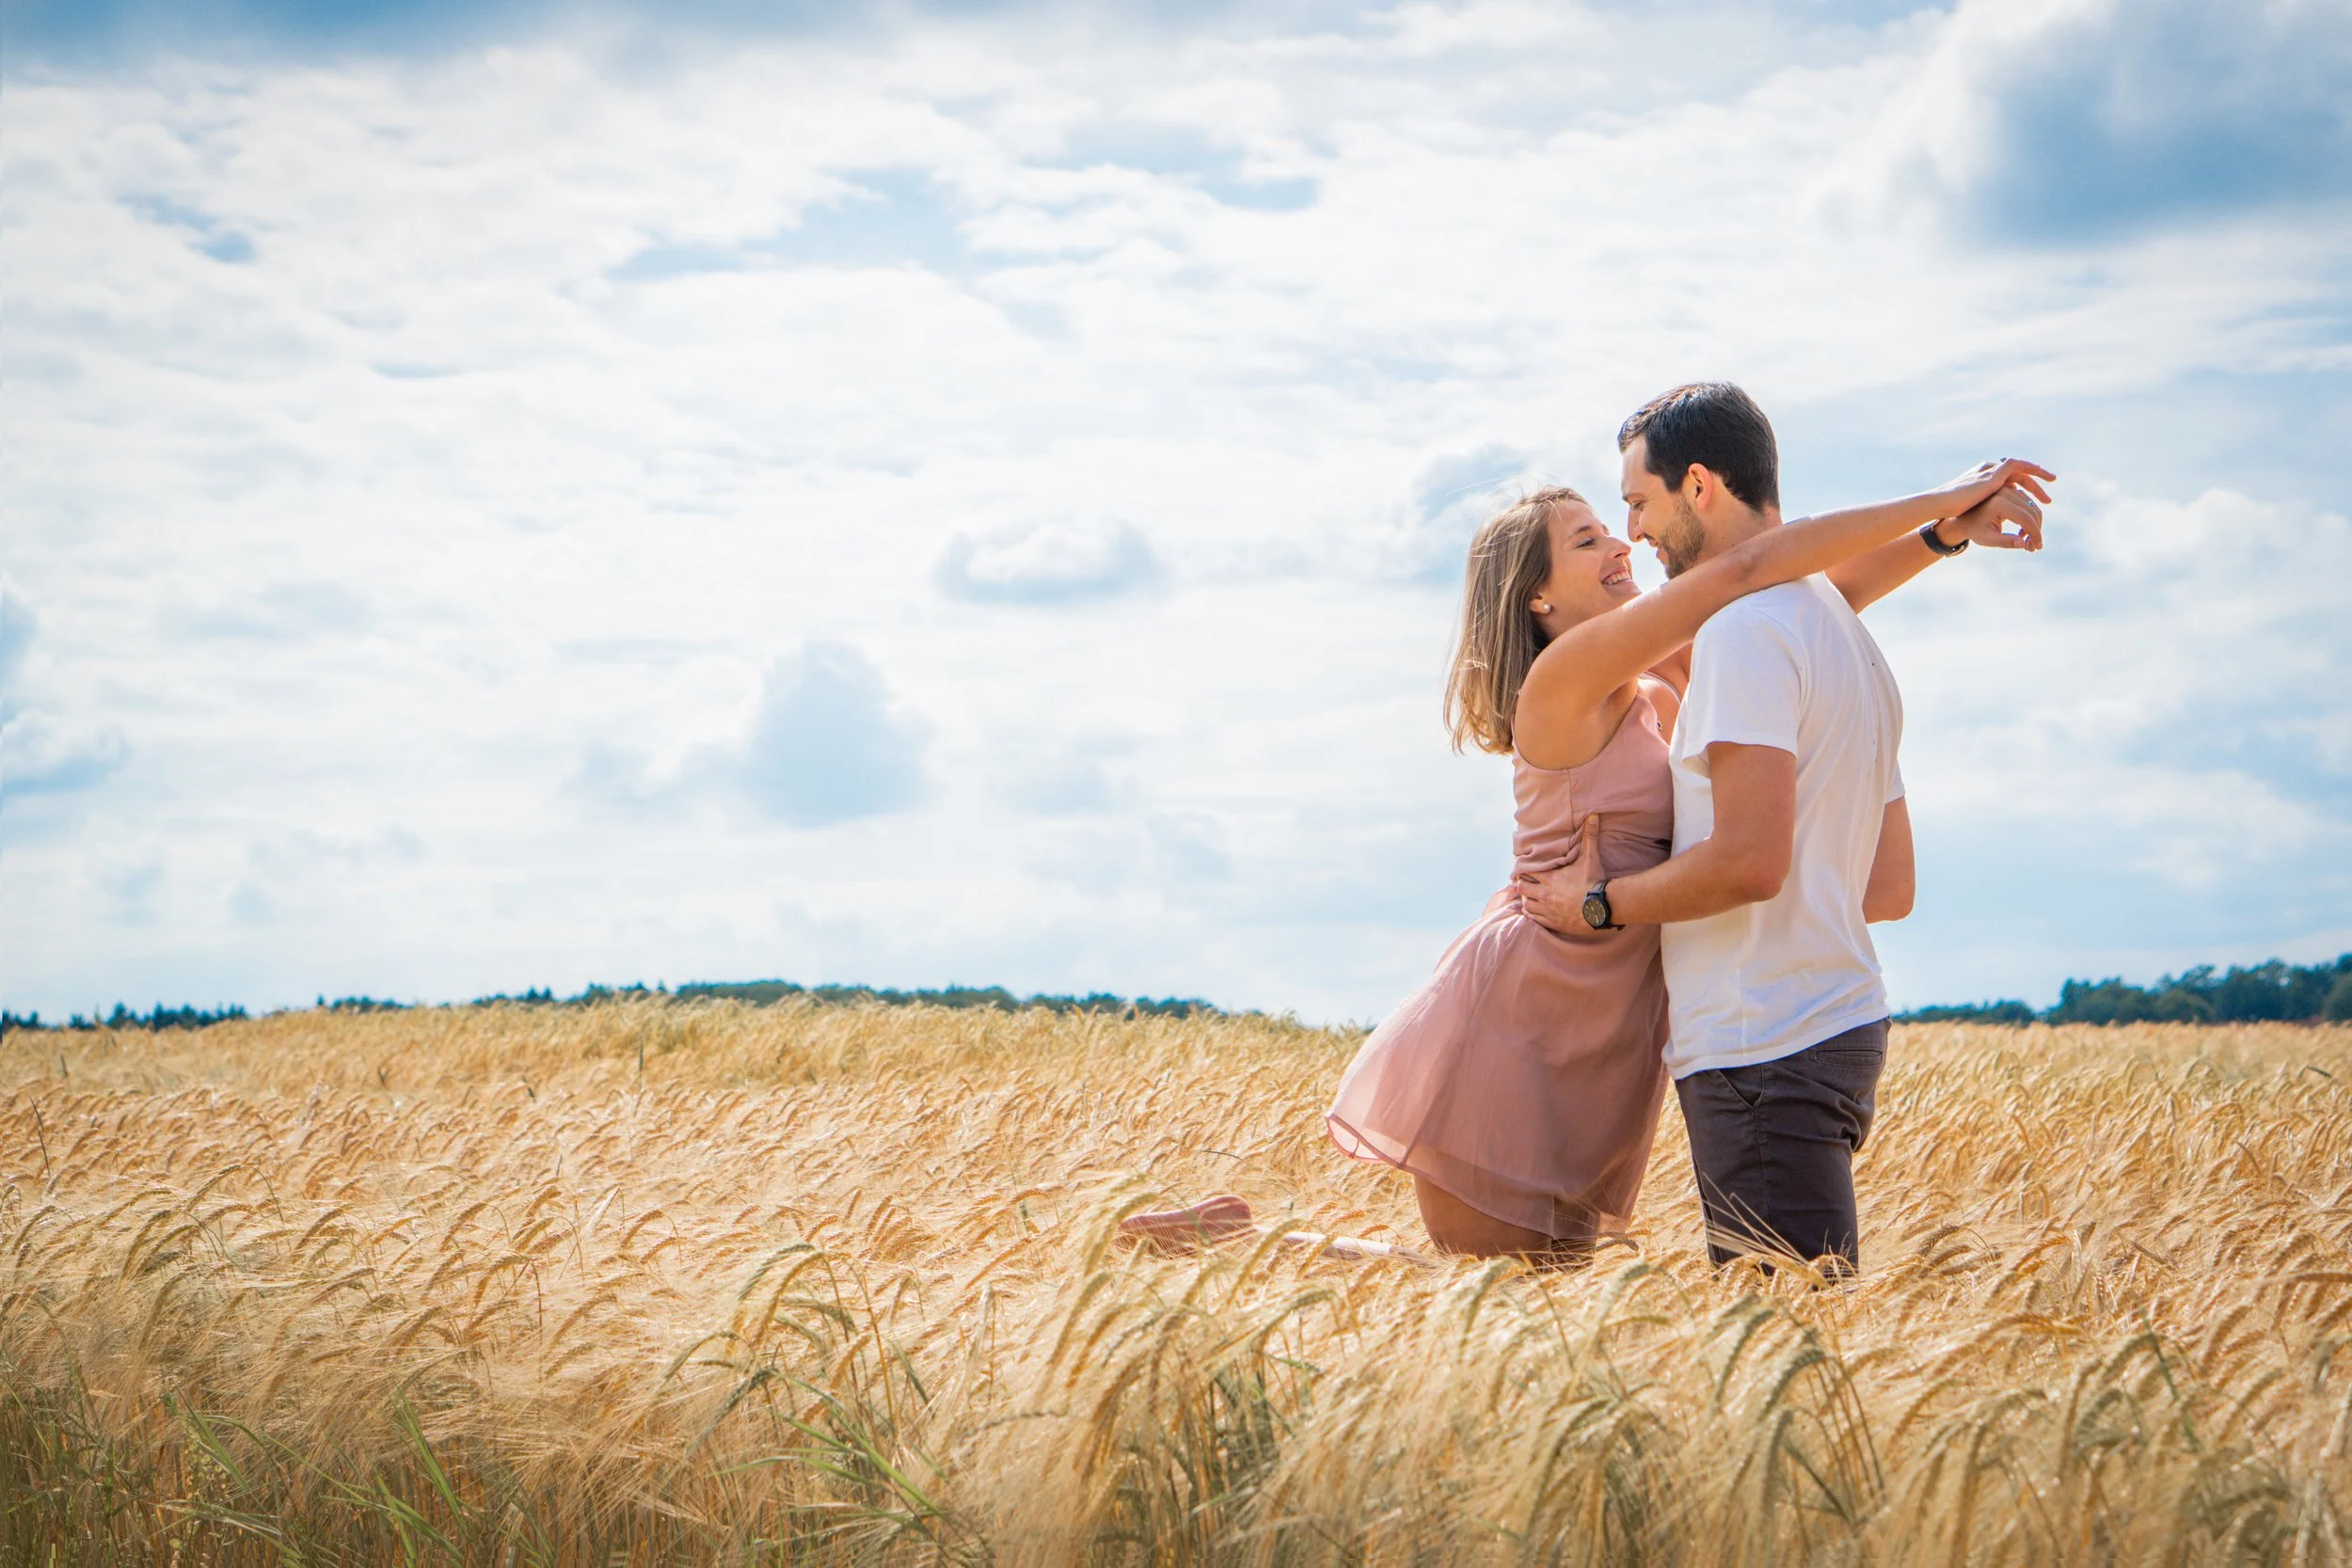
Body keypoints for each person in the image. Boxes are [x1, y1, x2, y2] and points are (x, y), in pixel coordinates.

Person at [1124, 407, 2051, 1264]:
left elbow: (1808, 601)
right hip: (1528, 1019)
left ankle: (1239, 1242)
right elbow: (1746, 570)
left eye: (1615, 521)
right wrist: (1940, 495)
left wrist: (1939, 539)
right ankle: (1236, 1246)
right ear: (1538, 598)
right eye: (1587, 538)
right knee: (1481, 1286)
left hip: (1612, 1029)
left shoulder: (1654, 686)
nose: (1622, 540)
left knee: (1535, 1295)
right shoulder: (1560, 687)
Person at [1518, 383, 2033, 1274]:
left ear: (1701, 487)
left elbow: (1752, 863)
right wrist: (1943, 531)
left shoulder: (1745, 636)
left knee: (1789, 1358)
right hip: (1838, 1023)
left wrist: (1600, 903)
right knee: (1798, 1342)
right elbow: (1889, 888)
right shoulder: (1838, 633)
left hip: (1762, 1043)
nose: (1633, 532)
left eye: (1637, 504)